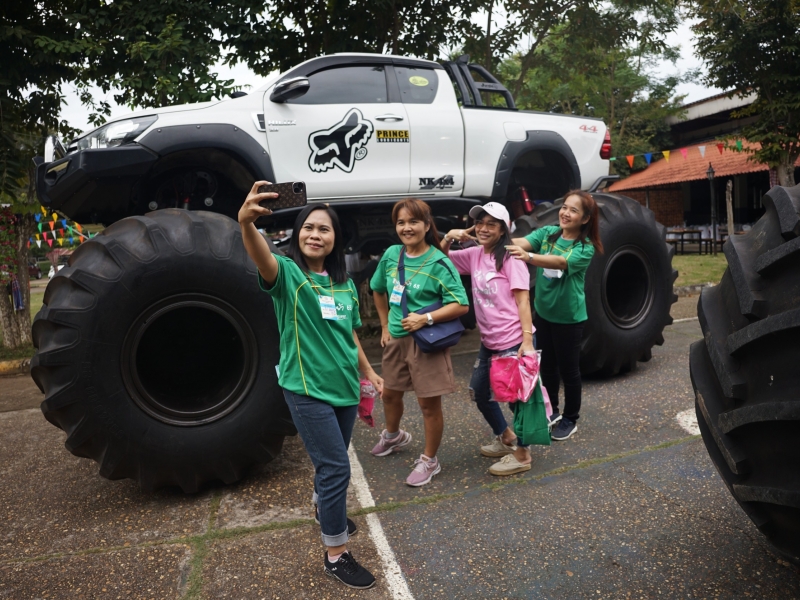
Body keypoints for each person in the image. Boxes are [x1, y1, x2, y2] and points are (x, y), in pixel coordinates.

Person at [239, 182, 382, 590]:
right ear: (297, 234)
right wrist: (246, 222)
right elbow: (259, 253)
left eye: (324, 229)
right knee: (336, 468)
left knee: (329, 467)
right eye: (308, 227)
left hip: (345, 389)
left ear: (335, 239)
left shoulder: (344, 286)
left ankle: (325, 506)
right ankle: (336, 554)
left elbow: (349, 337)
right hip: (306, 389)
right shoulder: (286, 274)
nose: (315, 235)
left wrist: (369, 373)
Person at [369, 198, 469, 486]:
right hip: (397, 341)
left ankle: (430, 460)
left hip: (426, 342)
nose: (406, 227)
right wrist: (385, 324)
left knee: (428, 405)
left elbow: (460, 304)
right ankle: (393, 435)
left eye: (413, 221)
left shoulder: (439, 262)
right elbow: (377, 289)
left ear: (427, 225)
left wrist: (425, 319)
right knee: (389, 394)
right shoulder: (391, 255)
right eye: (401, 222)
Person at [440, 202, 536, 476]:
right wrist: (450, 236)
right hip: (489, 342)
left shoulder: (511, 258)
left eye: (490, 224)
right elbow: (439, 259)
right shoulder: (474, 255)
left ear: (503, 229)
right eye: (479, 223)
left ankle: (523, 454)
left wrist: (527, 342)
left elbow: (523, 301)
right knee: (481, 393)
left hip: (513, 340)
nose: (483, 228)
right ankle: (506, 437)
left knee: (519, 400)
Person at [506, 190, 603, 441]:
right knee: (547, 368)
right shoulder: (547, 234)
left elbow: (560, 262)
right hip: (544, 314)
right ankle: (553, 412)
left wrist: (529, 257)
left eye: (573, 210)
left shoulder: (584, 247)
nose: (565, 213)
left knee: (569, 371)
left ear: (584, 219)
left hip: (570, 319)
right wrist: (493, 238)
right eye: (564, 207)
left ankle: (571, 418)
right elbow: (520, 243)